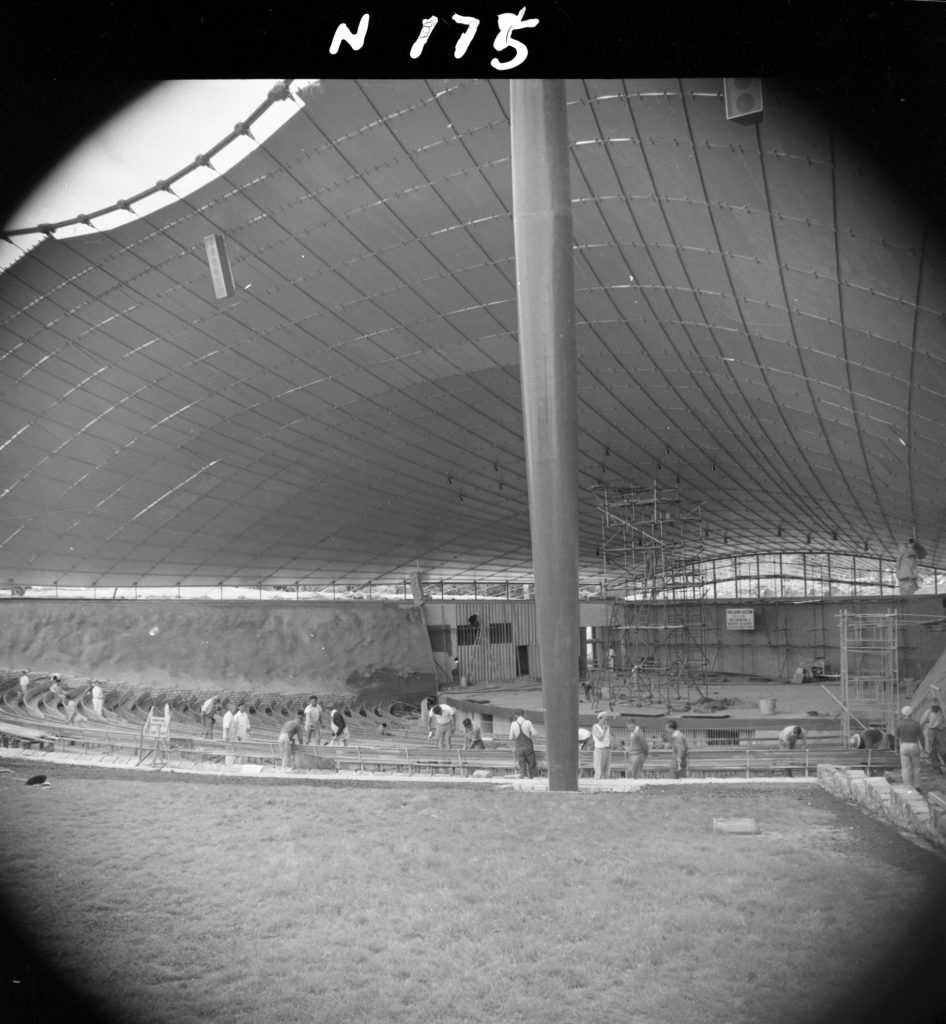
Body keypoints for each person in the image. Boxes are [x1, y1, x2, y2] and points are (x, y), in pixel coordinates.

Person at [895, 705, 924, 790]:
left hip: (903, 746)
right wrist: (924, 747)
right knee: (916, 766)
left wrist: (896, 748)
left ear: (902, 714)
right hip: (914, 745)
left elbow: (896, 738)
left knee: (905, 768)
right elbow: (921, 737)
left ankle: (908, 787)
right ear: (911, 714)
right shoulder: (916, 724)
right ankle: (917, 786)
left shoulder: (899, 724)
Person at [509, 709, 538, 779]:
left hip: (519, 748)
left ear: (516, 715)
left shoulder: (513, 724)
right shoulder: (528, 722)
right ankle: (533, 778)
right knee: (532, 765)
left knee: (522, 766)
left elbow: (510, 737)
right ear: (524, 714)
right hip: (528, 747)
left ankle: (524, 778)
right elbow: (535, 733)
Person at [919, 702, 945, 774]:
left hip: (942, 731)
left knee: (943, 751)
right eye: (933, 707)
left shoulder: (943, 711)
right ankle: (936, 768)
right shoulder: (928, 712)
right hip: (932, 731)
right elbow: (922, 722)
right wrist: (919, 732)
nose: (935, 708)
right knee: (932, 750)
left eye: (936, 707)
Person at [591, 711, 613, 780]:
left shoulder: (607, 727)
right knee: (599, 770)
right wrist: (604, 730)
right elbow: (600, 738)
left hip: (607, 749)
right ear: (600, 719)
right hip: (599, 750)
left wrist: (611, 745)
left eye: (607, 719)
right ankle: (597, 784)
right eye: (604, 719)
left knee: (606, 770)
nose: (606, 721)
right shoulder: (595, 727)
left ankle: (606, 784)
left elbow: (610, 737)